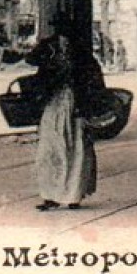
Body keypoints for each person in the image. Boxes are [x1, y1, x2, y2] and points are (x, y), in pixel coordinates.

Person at [26, 25, 107, 211]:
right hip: (63, 105)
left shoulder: (80, 55)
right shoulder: (59, 51)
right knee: (69, 150)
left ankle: (62, 196)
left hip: (70, 106)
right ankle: (64, 196)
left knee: (58, 150)